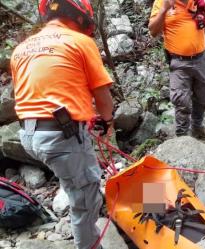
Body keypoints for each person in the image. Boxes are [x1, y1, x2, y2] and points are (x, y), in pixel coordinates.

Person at [10, 0, 114, 248]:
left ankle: (85, 207)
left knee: (79, 183)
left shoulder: (22, 48)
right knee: (85, 199)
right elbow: (102, 96)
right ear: (80, 18)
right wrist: (107, 121)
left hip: (29, 133)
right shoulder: (79, 41)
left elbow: (43, 90)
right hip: (60, 135)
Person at [148, 0, 205, 139]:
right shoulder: (162, 2)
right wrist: (163, 10)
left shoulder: (199, 1)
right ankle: (182, 136)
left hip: (200, 59)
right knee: (181, 101)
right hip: (178, 62)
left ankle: (197, 127)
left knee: (202, 97)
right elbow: (153, 31)